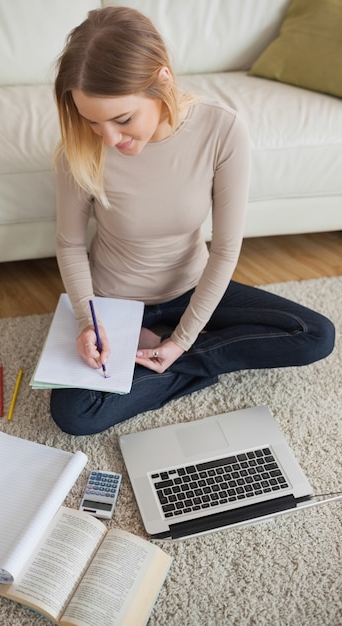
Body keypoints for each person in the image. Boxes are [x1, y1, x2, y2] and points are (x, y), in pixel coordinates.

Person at [51, 6, 335, 435]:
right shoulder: (79, 148)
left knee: (315, 335)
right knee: (74, 413)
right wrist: (91, 322)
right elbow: (71, 245)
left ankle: (169, 357)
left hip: (193, 286)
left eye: (123, 119)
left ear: (162, 80)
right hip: (118, 302)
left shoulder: (221, 130)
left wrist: (181, 342)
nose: (109, 138)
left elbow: (225, 249)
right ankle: (192, 357)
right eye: (93, 122)